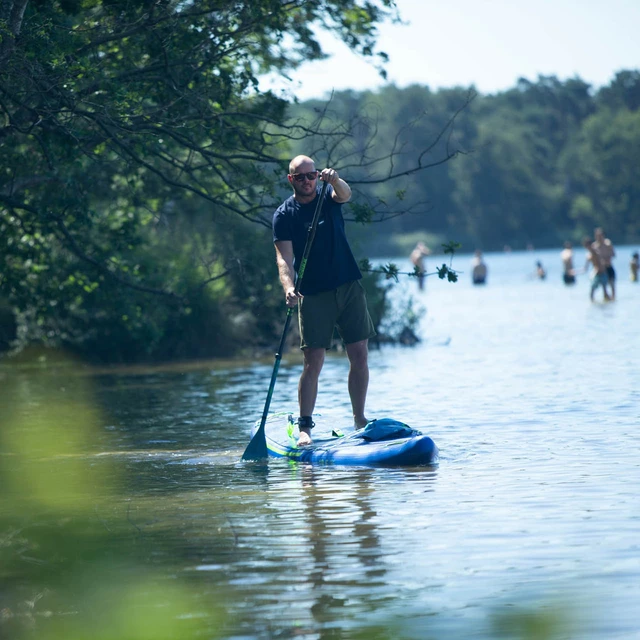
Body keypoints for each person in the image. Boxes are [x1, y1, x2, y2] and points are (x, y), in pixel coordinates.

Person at [272, 155, 376, 446]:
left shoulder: (328, 198)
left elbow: (346, 194)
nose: (307, 181)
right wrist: (289, 287)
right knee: (313, 361)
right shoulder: (285, 215)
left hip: (348, 286)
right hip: (313, 294)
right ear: (291, 180)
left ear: (318, 176)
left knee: (360, 355)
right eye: (301, 177)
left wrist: (335, 179)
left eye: (312, 175)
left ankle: (359, 418)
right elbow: (284, 258)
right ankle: (305, 427)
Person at [582, 236, 610, 302]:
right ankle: (593, 303)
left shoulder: (596, 252)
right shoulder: (589, 255)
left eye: (587, 246)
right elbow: (585, 268)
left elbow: (601, 264)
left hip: (602, 273)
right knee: (592, 291)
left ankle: (608, 304)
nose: (587, 248)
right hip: (597, 274)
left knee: (605, 292)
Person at [592, 227, 616, 300]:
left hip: (609, 267)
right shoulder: (594, 246)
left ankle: (612, 301)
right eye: (597, 235)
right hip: (601, 270)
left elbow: (613, 254)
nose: (599, 237)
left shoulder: (608, 243)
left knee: (612, 286)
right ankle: (605, 300)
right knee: (604, 288)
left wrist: (605, 258)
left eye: (600, 235)